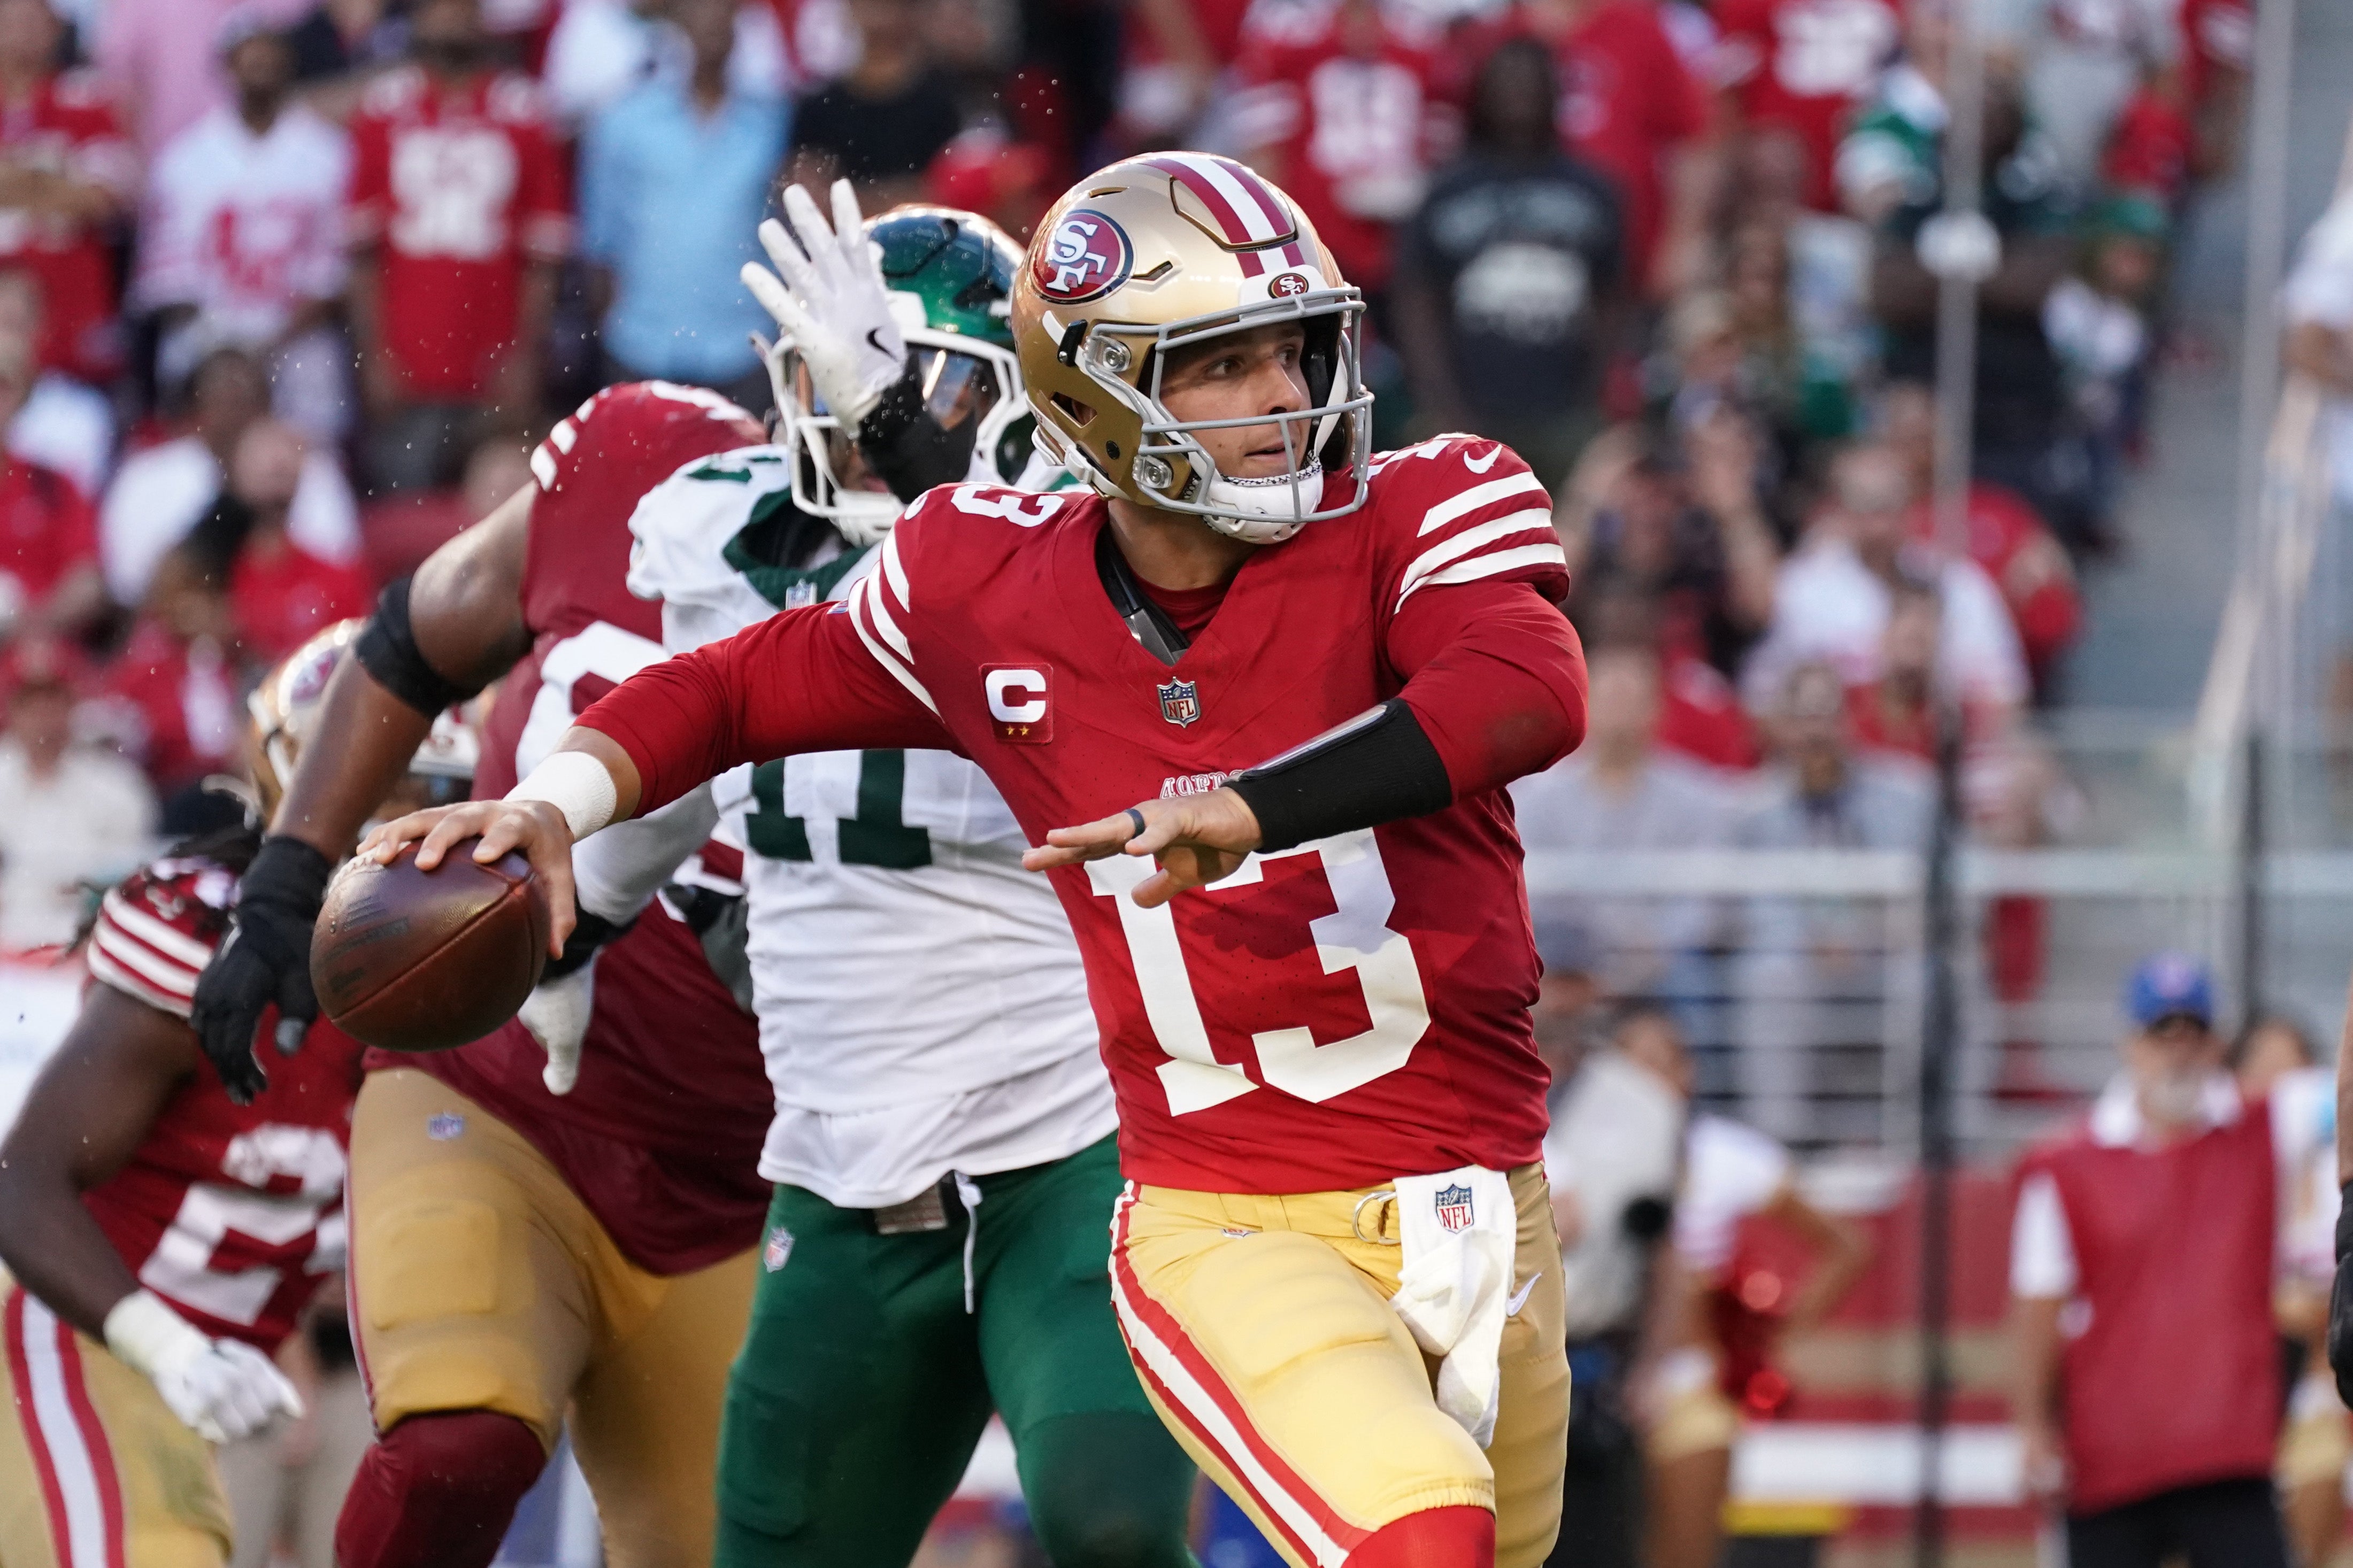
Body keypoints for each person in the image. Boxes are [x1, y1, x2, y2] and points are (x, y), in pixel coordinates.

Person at [363, 150, 1590, 1568]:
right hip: (1219, 1212)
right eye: (1225, 362)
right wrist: (553, 804)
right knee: (1393, 1535)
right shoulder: (982, 581)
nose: (1283, 400)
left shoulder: (1435, 498)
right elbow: (737, 684)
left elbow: (1522, 692)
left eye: (1299, 348)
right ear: (1095, 389)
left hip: (1485, 1204)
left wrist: (1253, 806)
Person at [556, 191, 1196, 1567]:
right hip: (847, 1178)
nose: (844, 415)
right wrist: (571, 924)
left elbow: (1002, 605)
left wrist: (915, 445)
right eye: (825, 375)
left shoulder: (1091, 548)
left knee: (1112, 1535)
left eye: (904, 382)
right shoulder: (730, 540)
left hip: (1077, 1151)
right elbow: (682, 746)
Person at [179, 381, 774, 1568]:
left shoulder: (974, 572)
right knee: (458, 1438)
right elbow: (410, 637)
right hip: (496, 1099)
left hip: (732, 1183)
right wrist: (288, 882)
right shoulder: (648, 451)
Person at [0, 622, 468, 1568]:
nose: (424, 830)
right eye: (400, 790)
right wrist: (169, 1348)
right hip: (78, 1338)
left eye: (443, 797)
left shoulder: (453, 981)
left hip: (219, 1390)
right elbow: (21, 1183)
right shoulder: (207, 951)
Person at [2014, 955, 2314, 1568]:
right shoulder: (2068, 1166)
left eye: (2192, 1032)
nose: (2177, 1050)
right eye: (2161, 1032)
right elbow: (2034, 1306)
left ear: (2216, 1044)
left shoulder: (2261, 1131)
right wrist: (2030, 1428)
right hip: (2111, 1452)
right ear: (2130, 1042)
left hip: (2228, 1448)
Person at [1617, 1005, 1870, 1568]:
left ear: (1687, 1072)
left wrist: (1766, 1337)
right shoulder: (1569, 1154)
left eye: (1663, 1061)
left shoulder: (1724, 1155)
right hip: (1593, 1385)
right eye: (1632, 1063)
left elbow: (1847, 1246)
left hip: (1691, 1387)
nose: (1649, 1078)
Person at [346, 0, 570, 492]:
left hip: (493, 358)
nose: (452, 18)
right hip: (408, 357)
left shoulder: (525, 112)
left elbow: (544, 255)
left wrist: (526, 355)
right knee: (409, 507)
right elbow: (363, 252)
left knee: (497, 512)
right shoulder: (383, 109)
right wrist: (374, 354)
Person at [1390, 37, 1625, 486]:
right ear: (1482, 94)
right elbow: (1417, 300)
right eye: (1507, 82)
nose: (1518, 93)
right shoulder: (1445, 192)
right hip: (1466, 406)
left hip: (1566, 411)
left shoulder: (1596, 192)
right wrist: (1443, 403)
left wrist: (1591, 391)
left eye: (1529, 82)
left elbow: (1613, 298)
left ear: (1554, 92)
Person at [1732, 660, 1933, 1141]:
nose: (1816, 732)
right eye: (1803, 717)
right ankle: (1782, 1143)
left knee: (1928, 979)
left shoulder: (1910, 796)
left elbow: (1935, 896)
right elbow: (1746, 903)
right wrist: (1809, 941)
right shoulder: (1751, 810)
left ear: (1848, 721)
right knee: (1769, 976)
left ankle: (1917, 1139)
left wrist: (1864, 938)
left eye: (1827, 715)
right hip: (1798, 961)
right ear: (1782, 726)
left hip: (1885, 955)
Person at [135, 11, 355, 444]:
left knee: (305, 470)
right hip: (205, 354)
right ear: (226, 66)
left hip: (300, 358)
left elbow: (335, 278)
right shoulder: (183, 159)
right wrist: (227, 352)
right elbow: (168, 283)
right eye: (248, 56)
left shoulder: (331, 155)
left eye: (269, 56)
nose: (260, 67)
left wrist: (265, 346)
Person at [578, 0, 789, 407]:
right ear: (678, 22)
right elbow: (600, 243)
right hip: (640, 345)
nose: (711, 20)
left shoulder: (773, 122)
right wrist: (613, 328)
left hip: (744, 348)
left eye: (723, 10)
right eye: (700, 10)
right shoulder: (625, 119)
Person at [1510, 643, 1733, 1008]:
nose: (1620, 711)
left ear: (1656, 708)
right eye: (1610, 697)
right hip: (1566, 962)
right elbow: (1529, 891)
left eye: (1631, 698)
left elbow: (1704, 899)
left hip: (1665, 965)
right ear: (1585, 702)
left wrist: (1656, 946)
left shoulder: (1699, 797)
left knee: (1695, 981)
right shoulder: (1536, 797)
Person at [1747, 439, 2027, 714]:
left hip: (1938, 748)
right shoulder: (1802, 587)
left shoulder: (1956, 584)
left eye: (1887, 507)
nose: (1877, 527)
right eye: (1863, 507)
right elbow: (1763, 696)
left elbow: (2006, 693)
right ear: (1838, 509)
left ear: (1911, 505)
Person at [99, 348, 361, 613]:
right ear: (195, 411)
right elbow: (128, 585)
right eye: (223, 401)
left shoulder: (308, 466)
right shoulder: (148, 474)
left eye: (246, 401)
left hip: (291, 618)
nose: (235, 414)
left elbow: (341, 565)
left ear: (266, 409)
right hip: (176, 627)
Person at [1229, 0, 1455, 306]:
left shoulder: (1425, 35)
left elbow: (1441, 157)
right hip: (1317, 227)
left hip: (1403, 238)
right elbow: (1266, 155)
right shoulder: (1287, 33)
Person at [0, 0, 136, 385]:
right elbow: (77, 194)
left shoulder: (87, 96)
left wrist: (14, 180)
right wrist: (50, 181)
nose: (20, 31)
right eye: (9, 20)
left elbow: (103, 199)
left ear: (55, 29)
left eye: (33, 20)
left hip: (70, 317)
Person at [0, 636, 153, 951]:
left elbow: (132, 880)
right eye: (31, 703)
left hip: (85, 948)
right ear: (13, 708)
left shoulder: (117, 787)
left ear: (72, 705)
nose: (42, 716)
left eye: (53, 701)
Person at [784, 0, 963, 211]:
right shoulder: (819, 108)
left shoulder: (948, 100)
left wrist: (851, 202)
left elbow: (955, 191)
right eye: (869, 5)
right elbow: (808, 199)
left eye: (890, 6)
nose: (880, 19)